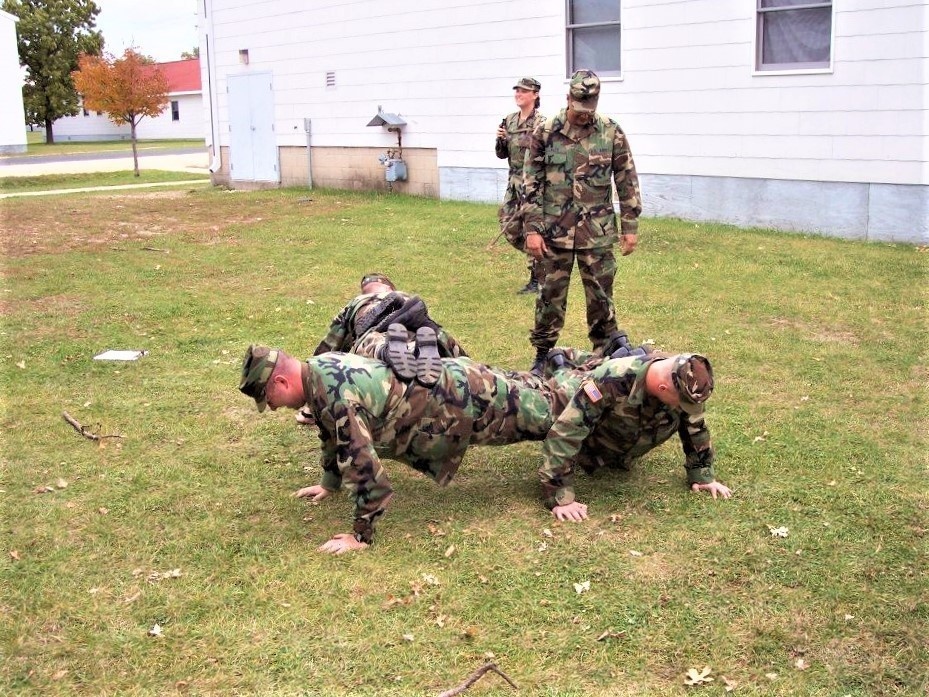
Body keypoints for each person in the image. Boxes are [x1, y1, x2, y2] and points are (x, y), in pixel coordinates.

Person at [239, 339, 557, 553]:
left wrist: (360, 535)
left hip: (467, 400)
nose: (275, 407)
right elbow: (331, 435)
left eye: (270, 399)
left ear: (281, 382)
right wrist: (328, 483)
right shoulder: (318, 370)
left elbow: (362, 465)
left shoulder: (334, 394)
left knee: (553, 415)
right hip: (457, 385)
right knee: (541, 389)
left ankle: (598, 379)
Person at [521, 69, 642, 375]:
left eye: (589, 108)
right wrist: (533, 229)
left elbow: (626, 179)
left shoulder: (610, 131)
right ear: (568, 99)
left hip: (596, 233)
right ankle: (543, 355)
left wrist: (630, 226)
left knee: (601, 298)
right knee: (549, 296)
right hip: (553, 232)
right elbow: (530, 183)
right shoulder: (546, 132)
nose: (583, 115)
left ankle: (604, 355)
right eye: (578, 108)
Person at [537, 351, 732, 522]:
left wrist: (702, 475)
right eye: (683, 404)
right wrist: (560, 497)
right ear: (663, 388)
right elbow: (567, 430)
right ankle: (559, 361)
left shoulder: (685, 383)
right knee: (545, 403)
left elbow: (695, 427)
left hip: (620, 446)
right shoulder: (609, 380)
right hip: (587, 436)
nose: (687, 410)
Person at [495, 77, 546, 295]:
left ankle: (537, 277)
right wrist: (501, 140)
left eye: (524, 91)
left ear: (535, 95)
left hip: (532, 182)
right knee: (508, 224)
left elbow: (544, 154)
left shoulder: (542, 122)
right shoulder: (509, 120)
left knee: (531, 228)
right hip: (513, 181)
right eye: (517, 90)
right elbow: (501, 154)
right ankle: (545, 258)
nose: (519, 94)